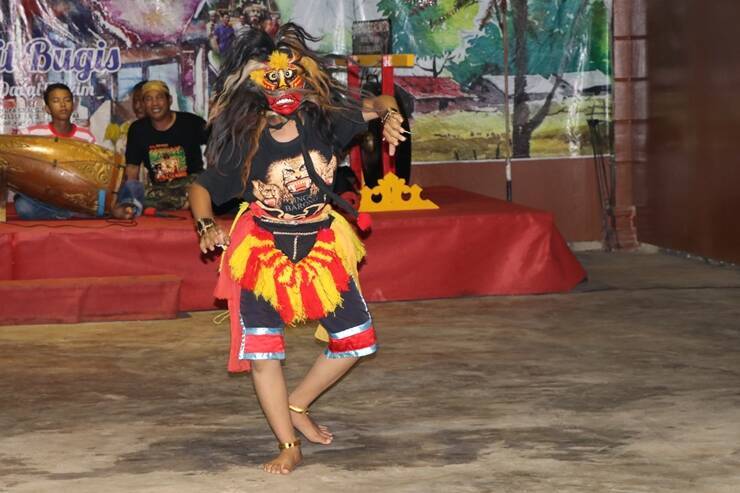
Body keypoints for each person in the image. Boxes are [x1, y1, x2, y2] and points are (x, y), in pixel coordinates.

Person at [189, 24, 406, 475]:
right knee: (263, 353)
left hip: (321, 243)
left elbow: (380, 101)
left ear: (305, 83)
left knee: (356, 340)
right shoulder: (245, 143)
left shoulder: (327, 123)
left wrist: (389, 114)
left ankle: (298, 404)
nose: (283, 91)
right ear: (257, 92)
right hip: (262, 249)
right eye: (272, 83)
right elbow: (202, 188)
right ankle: (288, 443)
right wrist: (207, 224)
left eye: (291, 80)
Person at [15, 83, 135, 220]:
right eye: (56, 101)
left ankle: (76, 211)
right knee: (23, 206)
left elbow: (97, 170)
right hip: (45, 197)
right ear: (47, 108)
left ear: (73, 105)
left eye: (67, 100)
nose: (62, 105)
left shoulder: (85, 136)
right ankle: (73, 213)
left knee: (126, 184)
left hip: (77, 195)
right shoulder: (31, 134)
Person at [123, 80, 208, 212]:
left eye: (159, 97)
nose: (155, 103)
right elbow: (132, 168)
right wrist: (130, 199)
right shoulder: (138, 130)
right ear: (144, 104)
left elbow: (218, 144)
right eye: (149, 99)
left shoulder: (191, 123)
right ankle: (187, 203)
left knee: (205, 189)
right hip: (162, 189)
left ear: (170, 100)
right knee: (139, 197)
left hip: (193, 183)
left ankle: (193, 200)